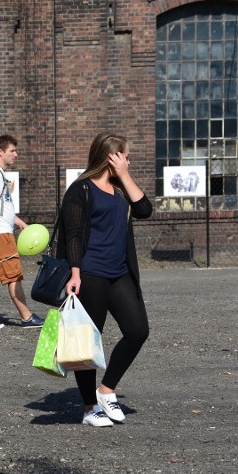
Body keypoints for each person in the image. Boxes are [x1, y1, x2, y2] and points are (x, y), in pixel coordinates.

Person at [57, 132, 152, 427]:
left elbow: (145, 210)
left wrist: (125, 175)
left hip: (120, 271)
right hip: (90, 273)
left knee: (138, 330)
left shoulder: (121, 189)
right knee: (89, 341)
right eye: (125, 155)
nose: (128, 159)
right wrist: (74, 273)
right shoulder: (80, 190)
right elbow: (72, 234)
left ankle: (106, 390)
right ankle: (88, 408)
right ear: (110, 156)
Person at [0, 135, 44, 328]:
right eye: (12, 151)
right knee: (14, 276)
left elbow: (2, 208)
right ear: (1, 152)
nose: (15, 154)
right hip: (0, 235)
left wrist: (19, 222)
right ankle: (27, 317)